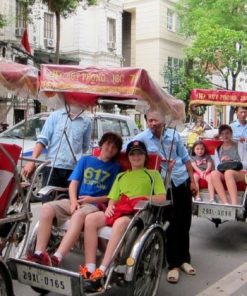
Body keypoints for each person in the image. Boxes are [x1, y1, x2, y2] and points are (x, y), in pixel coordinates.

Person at [80, 140, 166, 291]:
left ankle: (103, 270)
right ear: (128, 157)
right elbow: (113, 198)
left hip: (139, 213)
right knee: (91, 219)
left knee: (119, 223)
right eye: (133, 153)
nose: (136, 156)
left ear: (145, 156)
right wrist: (110, 208)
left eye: (139, 153)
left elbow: (162, 198)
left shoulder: (153, 174)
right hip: (119, 209)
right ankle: (90, 268)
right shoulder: (121, 176)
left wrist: (145, 198)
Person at [26, 132, 123, 266]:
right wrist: (73, 201)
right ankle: (39, 254)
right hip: (75, 200)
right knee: (46, 208)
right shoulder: (86, 160)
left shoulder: (116, 168)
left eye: (114, 147)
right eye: (108, 144)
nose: (110, 148)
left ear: (117, 151)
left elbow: (113, 195)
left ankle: (57, 257)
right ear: (101, 144)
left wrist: (91, 199)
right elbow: (74, 184)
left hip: (94, 205)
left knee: (78, 215)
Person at [128, 108, 197, 284]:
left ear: (163, 121)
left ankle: (184, 259)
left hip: (180, 180)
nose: (153, 124)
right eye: (149, 120)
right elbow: (127, 150)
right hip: (160, 186)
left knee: (184, 221)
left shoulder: (174, 137)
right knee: (169, 223)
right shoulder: (142, 138)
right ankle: (172, 264)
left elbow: (186, 158)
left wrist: (193, 180)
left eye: (155, 120)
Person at [22, 106, 92, 202]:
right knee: (48, 202)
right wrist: (32, 161)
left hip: (73, 170)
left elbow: (85, 147)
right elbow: (42, 140)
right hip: (52, 167)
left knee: (69, 204)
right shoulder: (55, 116)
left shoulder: (86, 121)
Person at [211, 124, 242, 205]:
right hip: (224, 172)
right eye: (222, 134)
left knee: (228, 173)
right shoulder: (218, 149)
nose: (225, 136)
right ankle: (226, 203)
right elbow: (218, 167)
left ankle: (234, 204)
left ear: (231, 134)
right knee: (214, 173)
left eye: (227, 133)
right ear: (220, 136)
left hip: (239, 172)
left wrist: (231, 160)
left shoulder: (239, 145)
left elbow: (245, 163)